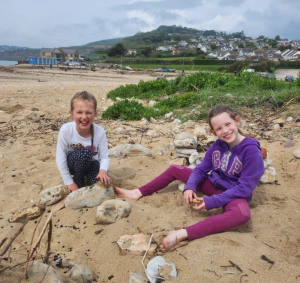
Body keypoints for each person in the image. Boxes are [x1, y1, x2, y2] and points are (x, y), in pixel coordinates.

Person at [114, 105, 265, 252]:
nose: (225, 131)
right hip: (213, 184)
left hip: (234, 193)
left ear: (237, 121)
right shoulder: (218, 145)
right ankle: (137, 192)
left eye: (228, 124)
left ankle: (181, 234)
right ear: (213, 131)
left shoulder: (251, 150)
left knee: (242, 215)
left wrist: (212, 201)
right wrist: (190, 186)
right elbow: (201, 169)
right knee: (175, 169)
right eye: (219, 128)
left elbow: (244, 188)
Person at [56, 91, 111, 193]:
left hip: (91, 164)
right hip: (73, 165)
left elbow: (104, 157)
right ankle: (78, 180)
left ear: (95, 114)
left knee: (103, 184)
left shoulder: (100, 132)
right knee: (85, 153)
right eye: (79, 112)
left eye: (89, 112)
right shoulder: (66, 130)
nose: (84, 117)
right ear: (71, 113)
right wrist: (69, 182)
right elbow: (60, 159)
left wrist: (103, 171)